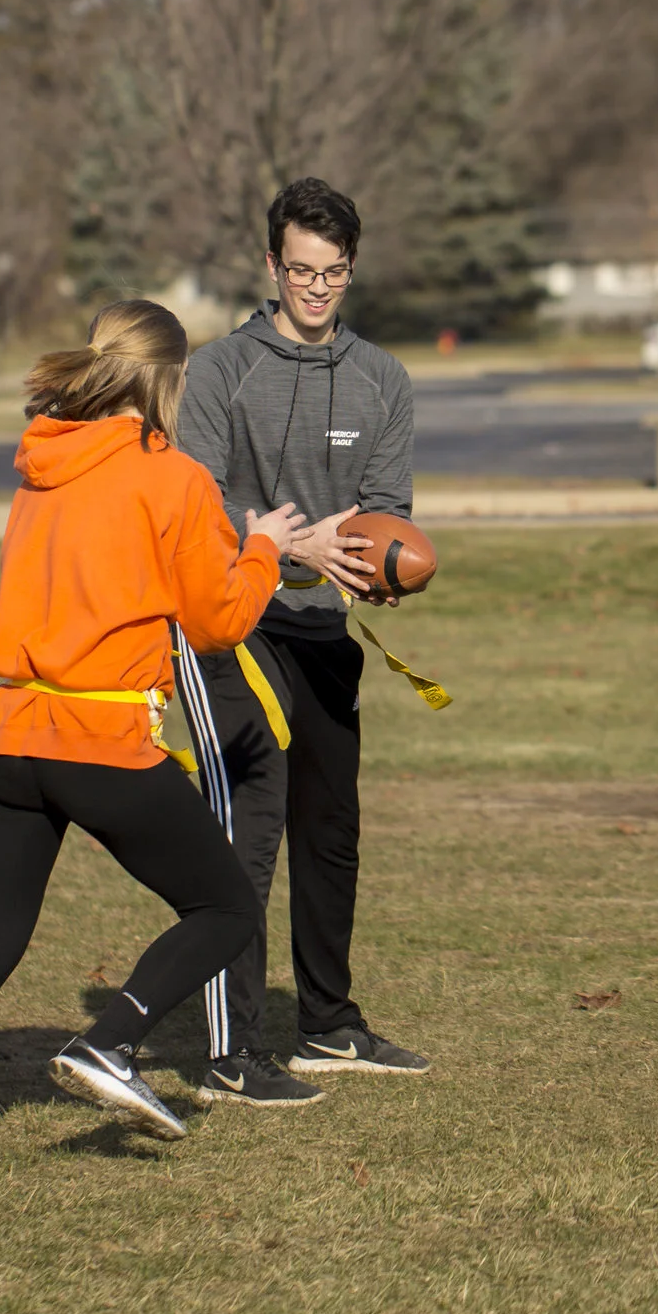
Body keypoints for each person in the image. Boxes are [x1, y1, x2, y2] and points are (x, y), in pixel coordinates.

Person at [0, 300, 299, 1163]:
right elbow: (217, 623)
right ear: (170, 380)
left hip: (12, 735)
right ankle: (109, 1044)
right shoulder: (172, 475)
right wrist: (263, 551)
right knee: (225, 909)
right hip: (99, 739)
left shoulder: (41, 465)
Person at [173, 177, 428, 1107]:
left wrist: (373, 563)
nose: (317, 289)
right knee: (251, 828)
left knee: (331, 826)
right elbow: (196, 510)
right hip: (234, 622)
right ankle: (232, 1049)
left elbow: (386, 511)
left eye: (334, 273)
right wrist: (287, 548)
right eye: (301, 271)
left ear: (351, 269)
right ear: (271, 265)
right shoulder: (218, 371)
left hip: (322, 627)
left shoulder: (382, 378)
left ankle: (327, 1024)